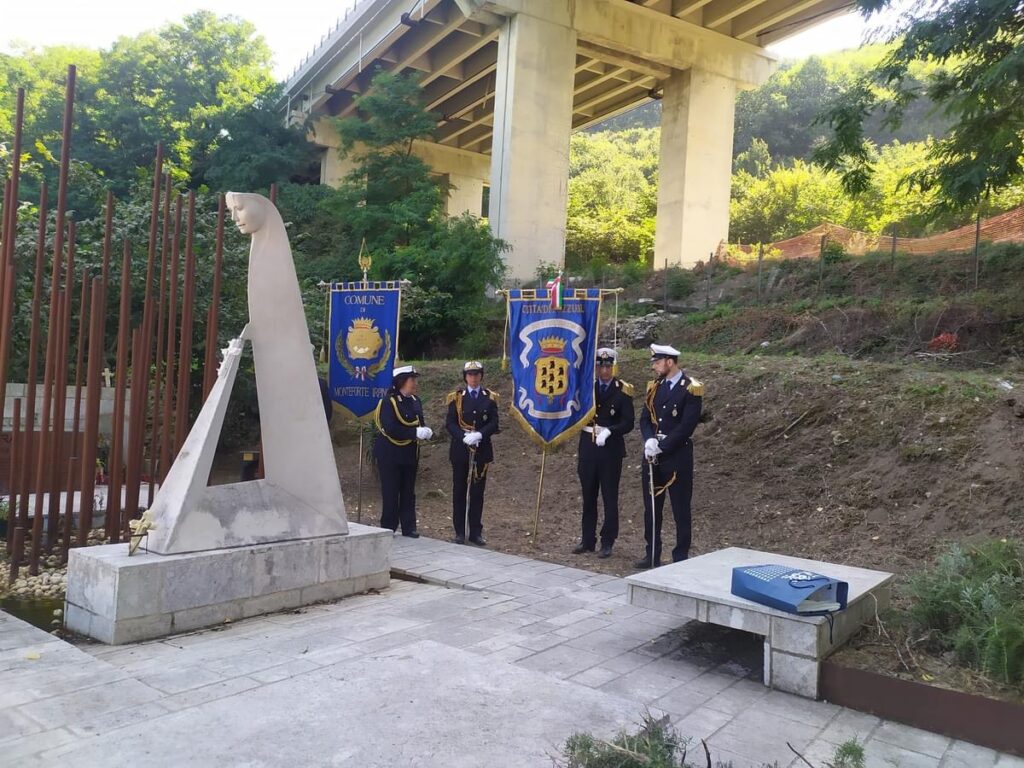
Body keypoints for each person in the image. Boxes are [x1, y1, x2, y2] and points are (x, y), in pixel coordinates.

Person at [636, 343, 703, 568]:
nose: (655, 366)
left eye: (657, 362)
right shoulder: (655, 387)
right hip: (653, 455)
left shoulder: (690, 388)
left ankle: (680, 557)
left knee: (680, 508)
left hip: (677, 455)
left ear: (670, 362)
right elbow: (645, 418)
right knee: (652, 508)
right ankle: (652, 553)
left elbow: (686, 426)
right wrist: (649, 440)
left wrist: (663, 446)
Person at [574, 347, 634, 558]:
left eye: (608, 366)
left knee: (609, 496)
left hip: (610, 449)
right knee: (588, 495)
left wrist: (610, 430)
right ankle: (587, 539)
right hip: (588, 446)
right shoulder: (586, 388)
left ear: (614, 367)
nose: (605, 371)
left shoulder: (622, 390)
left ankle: (608, 540)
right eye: (601, 366)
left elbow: (628, 422)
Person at [373, 364, 433, 538]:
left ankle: (409, 527)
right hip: (390, 454)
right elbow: (390, 427)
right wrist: (414, 432)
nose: (414, 383)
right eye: (411, 379)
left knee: (408, 491)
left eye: (415, 379)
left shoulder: (415, 401)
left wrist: (425, 431)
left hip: (409, 452)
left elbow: (418, 422)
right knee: (391, 491)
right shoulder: (388, 401)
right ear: (401, 382)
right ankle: (388, 527)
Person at [445, 361, 499, 546]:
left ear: (481, 376)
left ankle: (475, 532)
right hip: (461, 450)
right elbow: (450, 423)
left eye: (477, 374)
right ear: (465, 376)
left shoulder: (489, 397)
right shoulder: (456, 398)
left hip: (482, 450)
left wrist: (480, 434)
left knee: (477, 493)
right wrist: (463, 436)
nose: (473, 377)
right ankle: (460, 531)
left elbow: (494, 423)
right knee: (459, 490)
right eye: (470, 374)